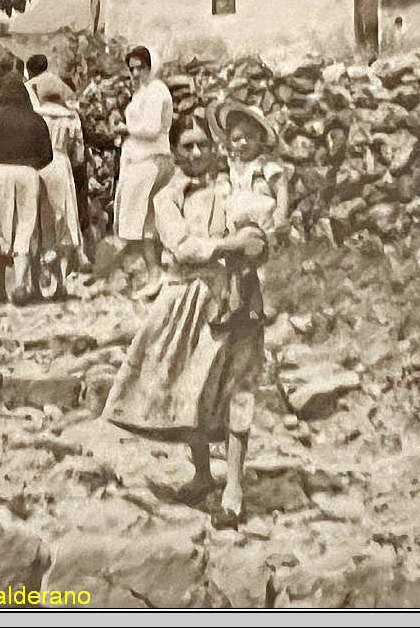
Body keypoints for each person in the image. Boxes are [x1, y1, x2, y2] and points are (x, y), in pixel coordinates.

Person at [103, 110, 272, 520]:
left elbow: (260, 236)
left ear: (214, 148)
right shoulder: (166, 198)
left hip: (239, 295)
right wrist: (228, 245)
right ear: (175, 152)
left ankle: (233, 485)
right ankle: (201, 473)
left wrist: (251, 242)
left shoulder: (235, 185)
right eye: (187, 146)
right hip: (190, 300)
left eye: (203, 144)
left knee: (239, 386)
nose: (196, 153)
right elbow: (182, 246)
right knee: (193, 386)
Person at [0, 73, 53, 304]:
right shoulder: (36, 120)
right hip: (26, 174)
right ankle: (21, 284)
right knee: (24, 227)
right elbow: (47, 156)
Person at [112, 45, 175, 289]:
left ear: (151, 67)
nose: (136, 73)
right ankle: (151, 273)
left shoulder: (157, 90)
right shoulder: (141, 93)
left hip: (153, 160)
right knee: (142, 219)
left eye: (141, 67)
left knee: (146, 218)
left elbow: (150, 129)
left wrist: (124, 129)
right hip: (138, 162)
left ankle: (155, 271)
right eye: (132, 69)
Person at [32, 72, 85, 298]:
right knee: (64, 219)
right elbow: (79, 156)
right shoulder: (70, 118)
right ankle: (62, 283)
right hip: (62, 165)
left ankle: (38, 279)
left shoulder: (36, 117)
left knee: (40, 219)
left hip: (39, 165)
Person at [212, 102, 291, 237]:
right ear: (229, 143)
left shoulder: (265, 163)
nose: (243, 143)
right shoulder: (232, 166)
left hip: (264, 220)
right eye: (236, 139)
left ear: (260, 137)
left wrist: (279, 217)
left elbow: (281, 191)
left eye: (249, 137)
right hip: (238, 221)